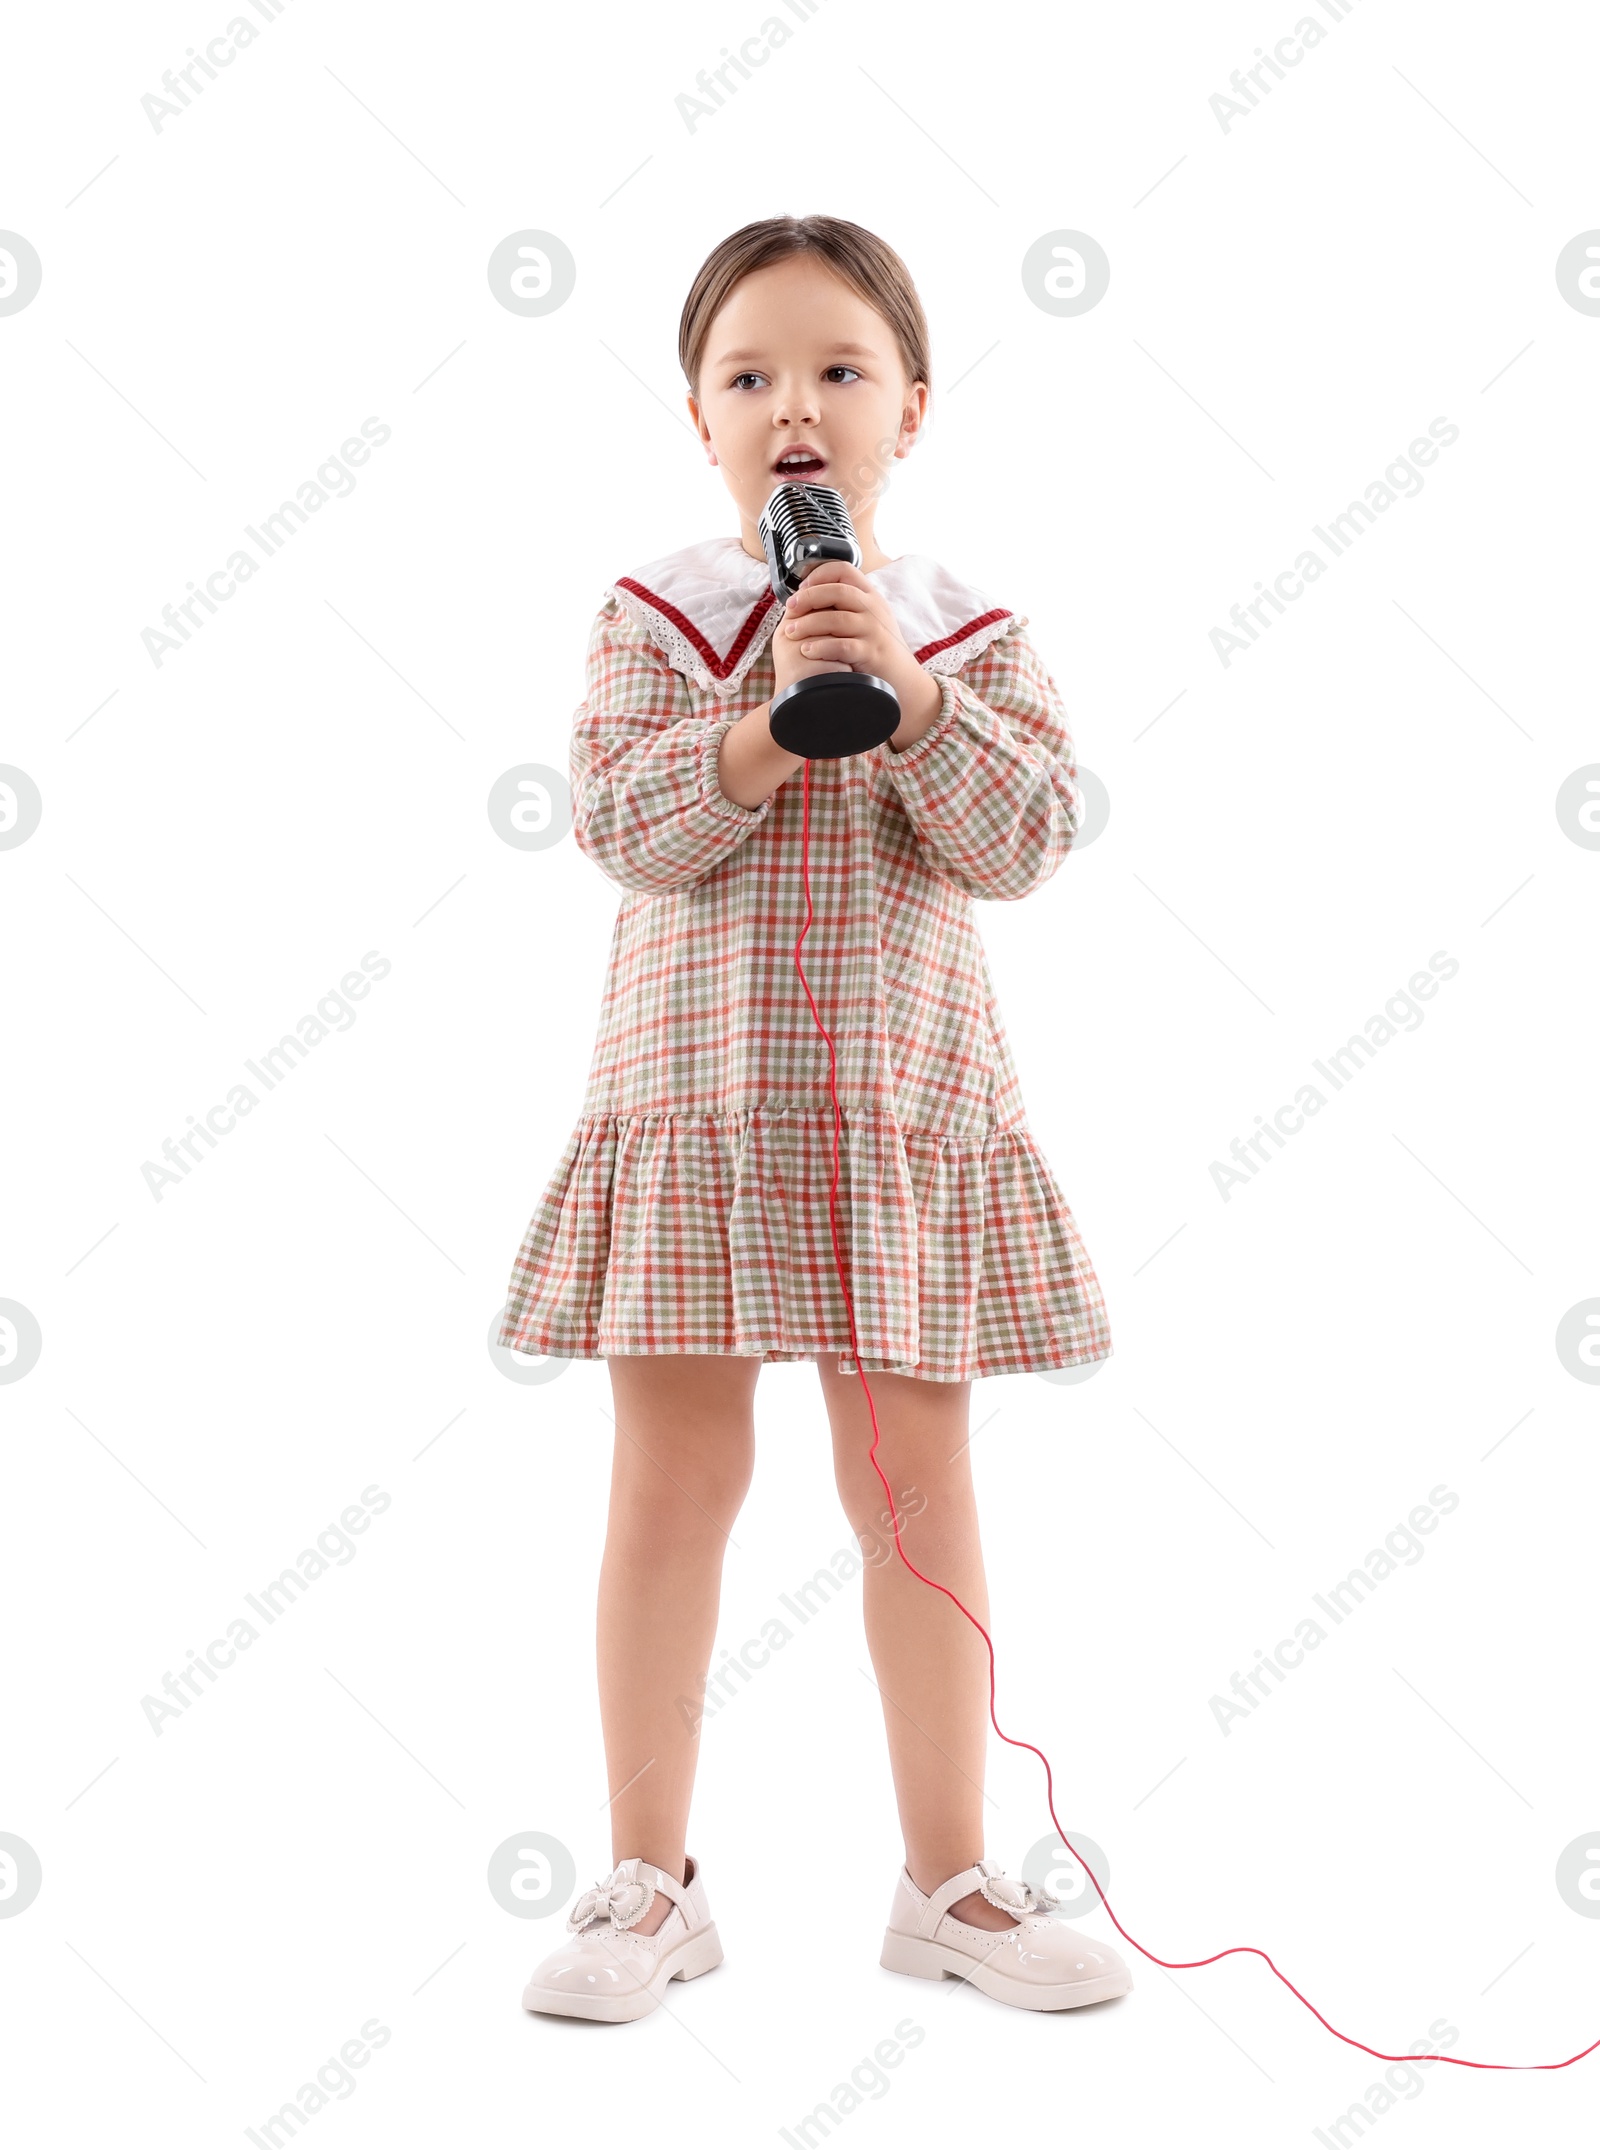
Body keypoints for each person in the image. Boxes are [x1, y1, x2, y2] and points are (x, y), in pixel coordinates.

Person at [499, 213, 1130, 2024]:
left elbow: (1023, 844)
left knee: (915, 1491)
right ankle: (647, 1879)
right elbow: (620, 825)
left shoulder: (970, 630)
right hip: (695, 1114)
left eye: (840, 369)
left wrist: (912, 697)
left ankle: (950, 1879)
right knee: (674, 1482)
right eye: (751, 373)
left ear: (910, 409)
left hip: (893, 1118)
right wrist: (766, 724)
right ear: (697, 416)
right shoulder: (660, 616)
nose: (797, 404)